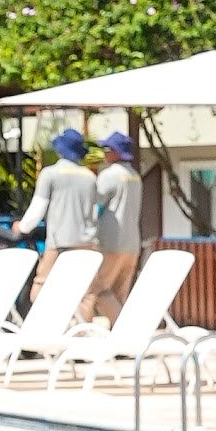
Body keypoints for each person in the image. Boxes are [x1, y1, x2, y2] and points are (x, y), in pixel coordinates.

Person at [13, 127, 102, 304]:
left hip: (60, 243)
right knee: (83, 294)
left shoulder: (50, 174)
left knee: (41, 288)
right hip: (87, 243)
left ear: (60, 150)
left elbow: (38, 208)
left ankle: (42, 325)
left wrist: (22, 227)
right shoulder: (90, 177)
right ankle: (80, 330)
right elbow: (94, 212)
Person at [93, 129, 145, 321]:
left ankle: (124, 326)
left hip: (111, 243)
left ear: (115, 152)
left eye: (107, 149)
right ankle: (120, 344)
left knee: (96, 290)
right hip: (132, 244)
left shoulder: (110, 175)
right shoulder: (135, 176)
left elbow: (94, 203)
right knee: (119, 294)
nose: (104, 153)